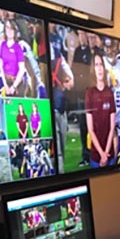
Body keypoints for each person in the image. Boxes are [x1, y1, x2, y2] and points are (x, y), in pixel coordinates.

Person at [49, 23, 74, 171]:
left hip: (62, 107)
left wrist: (67, 81)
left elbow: (71, 81)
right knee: (57, 150)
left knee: (62, 148)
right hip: (53, 108)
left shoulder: (60, 58)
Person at [85, 53, 116, 168]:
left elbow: (112, 127)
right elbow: (90, 129)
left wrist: (106, 153)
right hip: (95, 156)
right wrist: (101, 154)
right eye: (96, 65)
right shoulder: (89, 93)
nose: (99, 68)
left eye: (101, 64)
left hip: (110, 154)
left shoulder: (110, 93)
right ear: (93, 69)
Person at [72, 29, 92, 167]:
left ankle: (93, 154)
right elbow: (74, 70)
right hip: (80, 95)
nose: (81, 37)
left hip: (91, 94)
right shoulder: (78, 51)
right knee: (83, 126)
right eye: (79, 34)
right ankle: (85, 155)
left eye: (83, 34)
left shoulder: (91, 52)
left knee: (92, 126)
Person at [0, 19, 26, 96]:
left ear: (15, 31)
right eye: (7, 27)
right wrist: (5, 85)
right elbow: (1, 66)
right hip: (6, 81)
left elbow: (22, 69)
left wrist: (14, 87)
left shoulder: (18, 47)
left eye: (12, 28)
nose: (9, 30)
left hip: (17, 83)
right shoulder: (3, 45)